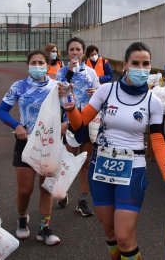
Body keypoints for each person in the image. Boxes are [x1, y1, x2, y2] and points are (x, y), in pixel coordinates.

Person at [64, 41, 165, 260]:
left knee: (124, 237)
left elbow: (158, 141)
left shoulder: (154, 102)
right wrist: (70, 105)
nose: (141, 69)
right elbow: (80, 124)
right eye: (136, 63)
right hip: (100, 167)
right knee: (110, 233)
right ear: (125, 65)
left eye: (146, 64)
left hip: (132, 169)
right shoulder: (105, 90)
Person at [0, 49, 65, 245]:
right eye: (33, 63)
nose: (37, 66)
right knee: (25, 190)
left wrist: (65, 124)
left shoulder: (56, 87)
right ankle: (22, 217)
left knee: (46, 188)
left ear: (47, 65)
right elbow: (1, 111)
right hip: (25, 142)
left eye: (40, 62)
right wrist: (16, 125)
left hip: (49, 143)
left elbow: (68, 110)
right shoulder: (19, 86)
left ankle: (44, 228)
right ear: (28, 65)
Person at [55, 37, 100, 216]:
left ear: (83, 52)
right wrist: (70, 73)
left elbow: (100, 94)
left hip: (89, 120)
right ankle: (62, 191)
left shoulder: (91, 72)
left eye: (78, 49)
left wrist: (96, 92)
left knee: (85, 162)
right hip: (71, 121)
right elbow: (59, 92)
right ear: (68, 52)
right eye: (72, 49)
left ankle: (82, 200)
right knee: (67, 160)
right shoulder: (62, 72)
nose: (75, 52)